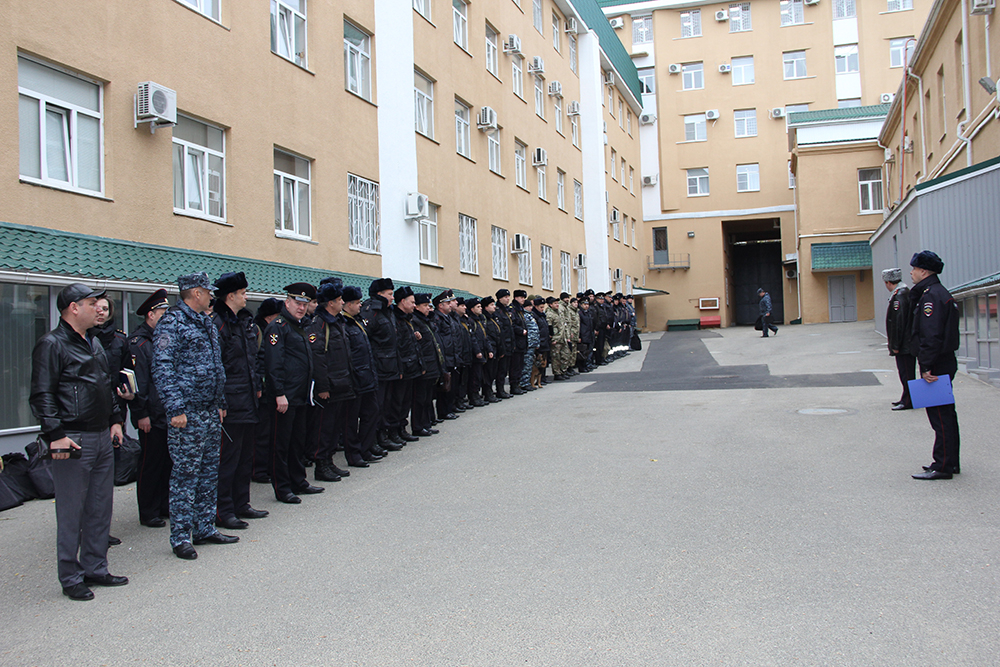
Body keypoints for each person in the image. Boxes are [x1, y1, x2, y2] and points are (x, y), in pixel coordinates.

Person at [30, 283, 129, 601]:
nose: (98, 308)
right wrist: (55, 435)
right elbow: (42, 395)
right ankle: (70, 576)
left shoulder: (94, 343)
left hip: (101, 435)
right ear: (73, 307)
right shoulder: (52, 344)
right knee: (71, 511)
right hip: (72, 437)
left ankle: (96, 567)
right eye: (91, 302)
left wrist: (115, 420)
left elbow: (106, 385)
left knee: (100, 508)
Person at [153, 273, 234, 560]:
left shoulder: (206, 321)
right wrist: (175, 409)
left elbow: (215, 365)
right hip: (186, 415)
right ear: (196, 293)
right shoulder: (172, 322)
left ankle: (204, 527)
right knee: (185, 476)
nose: (212, 296)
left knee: (209, 472)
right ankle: (180, 537)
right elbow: (162, 368)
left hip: (209, 412)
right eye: (208, 292)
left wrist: (220, 401)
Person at [211, 272, 268, 529]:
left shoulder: (243, 321)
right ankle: (222, 510)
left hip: (247, 399)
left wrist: (256, 387)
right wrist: (221, 401)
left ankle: (241, 503)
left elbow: (252, 361)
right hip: (230, 402)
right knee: (228, 459)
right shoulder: (217, 323)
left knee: (245, 456)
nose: (247, 296)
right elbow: (217, 367)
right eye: (243, 293)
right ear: (231, 295)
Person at [263, 283, 324, 504]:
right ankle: (282, 487)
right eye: (297, 303)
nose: (301, 307)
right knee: (281, 444)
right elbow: (273, 364)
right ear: (287, 302)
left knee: (298, 441)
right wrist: (279, 393)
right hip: (285, 397)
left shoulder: (299, 326)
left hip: (299, 395)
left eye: (304, 304)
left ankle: (299, 481)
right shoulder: (278, 327)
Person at [908, 251, 961, 481]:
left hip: (937, 364)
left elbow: (931, 335)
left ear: (923, 271)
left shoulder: (931, 297)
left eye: (914, 269)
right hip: (944, 360)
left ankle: (942, 466)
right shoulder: (937, 293)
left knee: (940, 417)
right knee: (946, 414)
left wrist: (926, 366)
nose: (911, 273)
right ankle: (950, 461)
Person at [127, 289, 172, 528]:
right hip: (150, 415)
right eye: (163, 313)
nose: (167, 317)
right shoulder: (139, 343)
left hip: (165, 412)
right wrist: (141, 414)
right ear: (151, 315)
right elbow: (138, 383)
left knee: (167, 462)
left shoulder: (162, 339)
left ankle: (163, 505)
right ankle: (148, 510)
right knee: (150, 464)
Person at [308, 281, 355, 483]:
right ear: (330, 303)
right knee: (324, 428)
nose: (342, 302)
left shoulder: (338, 321)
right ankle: (321, 465)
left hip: (342, 382)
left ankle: (329, 461)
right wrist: (323, 386)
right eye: (339, 300)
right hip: (329, 386)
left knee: (334, 427)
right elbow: (317, 358)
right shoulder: (319, 324)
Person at [341, 285, 384, 466]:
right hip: (354, 379)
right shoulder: (343, 324)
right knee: (351, 421)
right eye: (357, 303)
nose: (360, 306)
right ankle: (354, 454)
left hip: (367, 377)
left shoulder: (357, 321)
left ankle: (365, 448)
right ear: (347, 304)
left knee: (371, 413)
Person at [359, 278, 401, 448]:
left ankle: (382, 435)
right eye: (390, 294)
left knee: (386, 404)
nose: (392, 298)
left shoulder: (387, 311)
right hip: (378, 366)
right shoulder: (371, 311)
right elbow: (366, 340)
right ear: (379, 294)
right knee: (376, 406)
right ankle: (374, 439)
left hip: (389, 366)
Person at [251, 298, 282, 483]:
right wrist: (258, 384)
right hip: (261, 388)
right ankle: (259, 470)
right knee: (261, 432)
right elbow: (256, 360)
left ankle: (267, 467)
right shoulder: (257, 330)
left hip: (269, 387)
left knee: (270, 430)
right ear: (270, 317)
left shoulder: (271, 330)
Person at [883, 268, 916, 411]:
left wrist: (895, 345)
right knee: (905, 372)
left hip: (905, 345)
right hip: (906, 343)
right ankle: (906, 397)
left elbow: (898, 323)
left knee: (906, 373)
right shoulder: (903, 293)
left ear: (888, 282)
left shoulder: (899, 296)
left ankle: (908, 400)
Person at [411, 293, 444, 435]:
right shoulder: (415, 321)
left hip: (431, 363)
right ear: (416, 306)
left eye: (429, 305)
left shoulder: (425, 320)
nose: (428, 308)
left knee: (427, 398)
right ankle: (418, 426)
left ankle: (426, 423)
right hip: (424, 365)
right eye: (425, 305)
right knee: (420, 398)